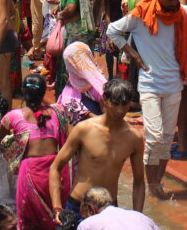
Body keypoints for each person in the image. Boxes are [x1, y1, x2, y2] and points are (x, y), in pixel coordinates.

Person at [105, 0, 187, 198]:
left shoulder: (185, 13)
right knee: (154, 137)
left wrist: (186, 61)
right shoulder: (141, 14)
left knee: (165, 139)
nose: (175, 4)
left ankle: (156, 184)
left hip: (175, 84)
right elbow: (112, 31)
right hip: (149, 85)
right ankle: (148, 183)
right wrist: (133, 55)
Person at [49, 78, 145, 220]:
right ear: (105, 100)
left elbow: (139, 182)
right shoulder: (84, 129)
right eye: (115, 103)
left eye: (124, 104)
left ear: (130, 103)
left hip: (109, 210)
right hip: (78, 206)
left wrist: (138, 217)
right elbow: (55, 168)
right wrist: (57, 208)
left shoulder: (134, 138)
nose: (120, 110)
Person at [0, 73, 71, 230]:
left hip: (32, 172)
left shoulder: (13, 116)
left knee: (30, 222)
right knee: (58, 219)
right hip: (57, 170)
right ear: (44, 93)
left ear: (24, 92)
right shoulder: (59, 112)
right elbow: (67, 143)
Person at [75, 186, 159, 230]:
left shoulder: (86, 224)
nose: (85, 218)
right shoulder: (142, 217)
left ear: (91, 208)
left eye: (84, 215)